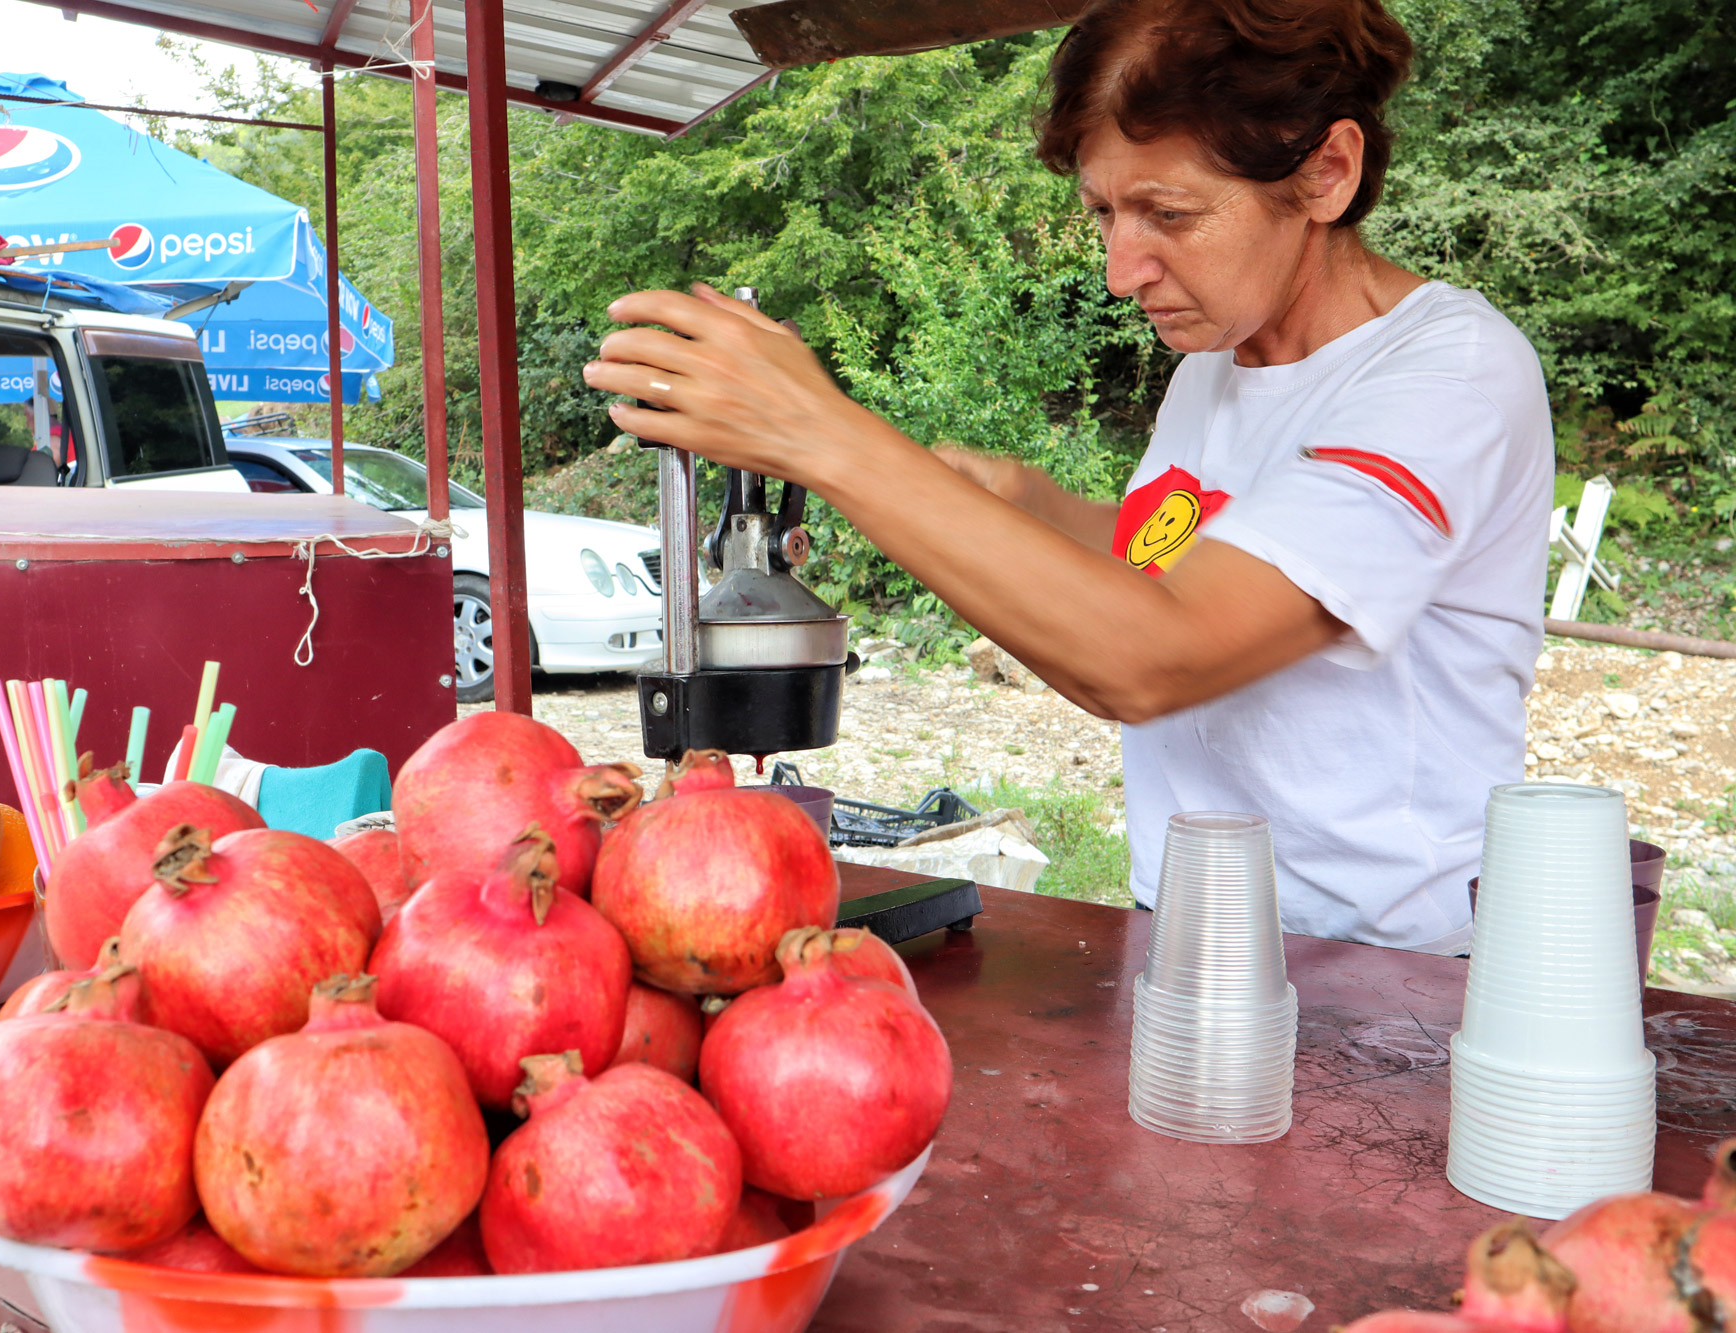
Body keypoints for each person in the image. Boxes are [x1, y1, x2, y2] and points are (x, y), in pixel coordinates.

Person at [584, 0, 1553, 954]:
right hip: (1187, 930)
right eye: (1102, 212)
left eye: (1167, 213)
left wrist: (823, 439)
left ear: (1325, 172)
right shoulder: (1217, 362)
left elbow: (1151, 652)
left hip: (1390, 972)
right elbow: (1174, 557)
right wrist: (1004, 499)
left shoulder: (1444, 377)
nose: (1119, 271)